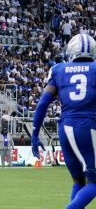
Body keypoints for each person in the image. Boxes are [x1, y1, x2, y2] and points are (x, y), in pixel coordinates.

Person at [34, 33, 96, 208]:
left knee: (79, 182)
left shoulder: (59, 69)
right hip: (87, 126)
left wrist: (34, 134)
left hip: (64, 128)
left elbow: (42, 104)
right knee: (94, 182)